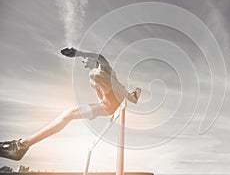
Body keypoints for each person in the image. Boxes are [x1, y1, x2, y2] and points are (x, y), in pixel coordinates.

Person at [0, 47, 141, 161]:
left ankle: (21, 146)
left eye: (84, 59)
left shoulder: (103, 70)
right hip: (105, 106)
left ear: (92, 59)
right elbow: (100, 97)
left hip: (110, 105)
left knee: (68, 113)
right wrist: (96, 111)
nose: (82, 61)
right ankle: (21, 145)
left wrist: (78, 53)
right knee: (67, 114)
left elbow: (100, 57)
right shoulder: (92, 78)